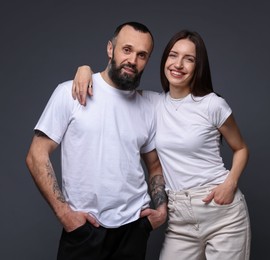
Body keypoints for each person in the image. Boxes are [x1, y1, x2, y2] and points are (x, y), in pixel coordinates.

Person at [73, 29, 251, 260]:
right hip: (180, 218)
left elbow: (241, 148)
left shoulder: (212, 105)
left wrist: (230, 183)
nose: (178, 65)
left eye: (189, 59)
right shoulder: (151, 103)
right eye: (173, 55)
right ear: (164, 59)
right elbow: (112, 87)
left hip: (222, 213)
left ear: (199, 66)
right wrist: (84, 69)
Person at [25, 21, 168, 260]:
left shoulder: (148, 106)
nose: (133, 60)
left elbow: (154, 166)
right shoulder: (70, 92)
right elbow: (35, 155)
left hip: (134, 228)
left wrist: (161, 209)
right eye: (127, 50)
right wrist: (65, 215)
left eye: (142, 55)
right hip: (85, 230)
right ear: (110, 49)